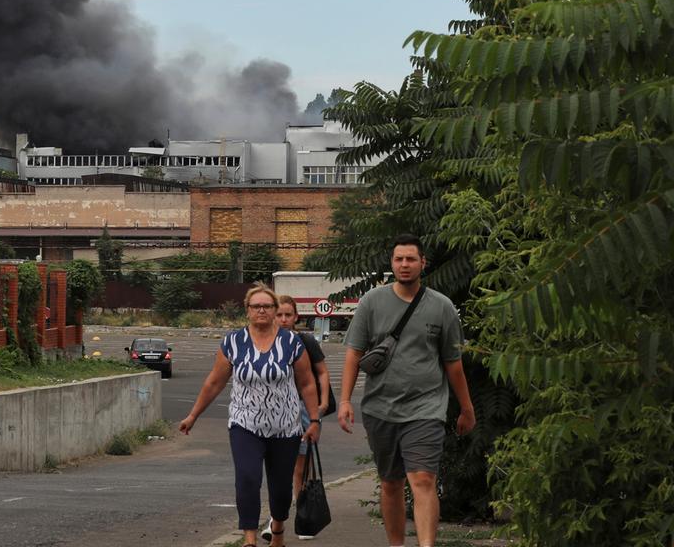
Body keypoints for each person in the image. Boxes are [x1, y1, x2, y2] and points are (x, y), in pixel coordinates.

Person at [337, 234, 475, 547]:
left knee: (423, 479)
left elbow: (453, 363)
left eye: (411, 259)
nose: (404, 265)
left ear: (423, 263)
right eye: (399, 259)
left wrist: (466, 408)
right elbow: (353, 354)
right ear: (391, 263)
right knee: (391, 483)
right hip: (380, 408)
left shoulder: (442, 307)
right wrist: (345, 400)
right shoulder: (372, 303)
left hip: (426, 409)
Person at [179, 285, 321, 547]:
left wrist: (314, 420)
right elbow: (214, 382)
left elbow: (307, 383)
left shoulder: (291, 343)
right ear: (247, 311)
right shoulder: (233, 342)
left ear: (275, 311)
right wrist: (193, 415)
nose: (262, 311)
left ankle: (277, 529)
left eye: (267, 306)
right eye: (256, 306)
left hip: (286, 427)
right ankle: (249, 539)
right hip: (245, 424)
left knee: (280, 488)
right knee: (247, 477)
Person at [274, 293, 331, 538]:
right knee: (277, 467)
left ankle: (302, 516)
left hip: (304, 410)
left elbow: (322, 373)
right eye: (279, 314)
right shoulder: (264, 342)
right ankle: (276, 518)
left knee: (299, 467)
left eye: (288, 315)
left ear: (296, 316)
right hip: (274, 412)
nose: (284, 319)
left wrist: (324, 402)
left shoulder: (305, 341)